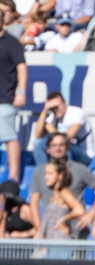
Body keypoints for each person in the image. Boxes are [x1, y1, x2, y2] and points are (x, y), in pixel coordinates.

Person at [30, 132, 95, 240]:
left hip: (76, 231)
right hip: (50, 232)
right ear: (48, 149)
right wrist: (40, 229)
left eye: (61, 145)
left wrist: (92, 212)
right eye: (54, 145)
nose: (58, 148)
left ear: (67, 148)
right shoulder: (40, 171)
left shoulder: (79, 169)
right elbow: (33, 202)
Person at [32, 91, 94, 167]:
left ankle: (65, 176)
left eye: (56, 107)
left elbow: (66, 138)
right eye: (52, 108)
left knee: (63, 146)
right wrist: (45, 110)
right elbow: (37, 135)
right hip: (68, 150)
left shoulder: (77, 113)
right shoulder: (53, 117)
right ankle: (44, 172)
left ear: (64, 103)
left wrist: (51, 129)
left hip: (84, 155)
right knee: (38, 143)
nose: (55, 110)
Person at [0, 4, 25, 184]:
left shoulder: (11, 42)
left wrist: (21, 91)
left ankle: (13, 176)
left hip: (5, 98)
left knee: (9, 137)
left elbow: (21, 68)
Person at [38, 159, 84, 240]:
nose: (46, 177)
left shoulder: (64, 192)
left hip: (61, 242)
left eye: (50, 173)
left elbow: (79, 210)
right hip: (51, 241)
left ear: (60, 175)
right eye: (46, 173)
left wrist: (63, 219)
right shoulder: (54, 194)